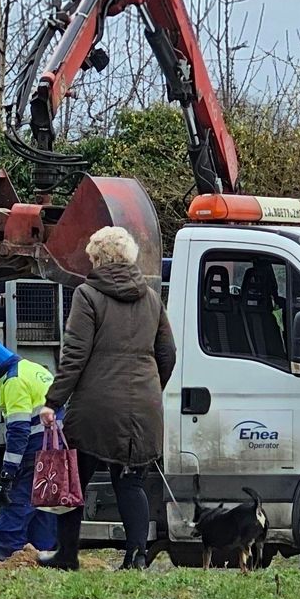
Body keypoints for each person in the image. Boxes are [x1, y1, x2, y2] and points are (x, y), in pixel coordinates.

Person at [39, 226, 176, 570]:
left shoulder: (87, 295)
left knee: (74, 480)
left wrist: (53, 401)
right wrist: (151, 387)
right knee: (131, 483)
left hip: (95, 408)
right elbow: (168, 353)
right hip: (143, 407)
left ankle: (66, 555)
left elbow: (75, 354)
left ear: (97, 258)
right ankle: (137, 556)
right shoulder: (151, 298)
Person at [0, 338, 59, 560]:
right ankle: (45, 559)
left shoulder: (14, 382)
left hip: (34, 452)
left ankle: (12, 561)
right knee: (44, 510)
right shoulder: (32, 368)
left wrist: (8, 473)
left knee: (14, 510)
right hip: (54, 447)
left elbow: (19, 432)